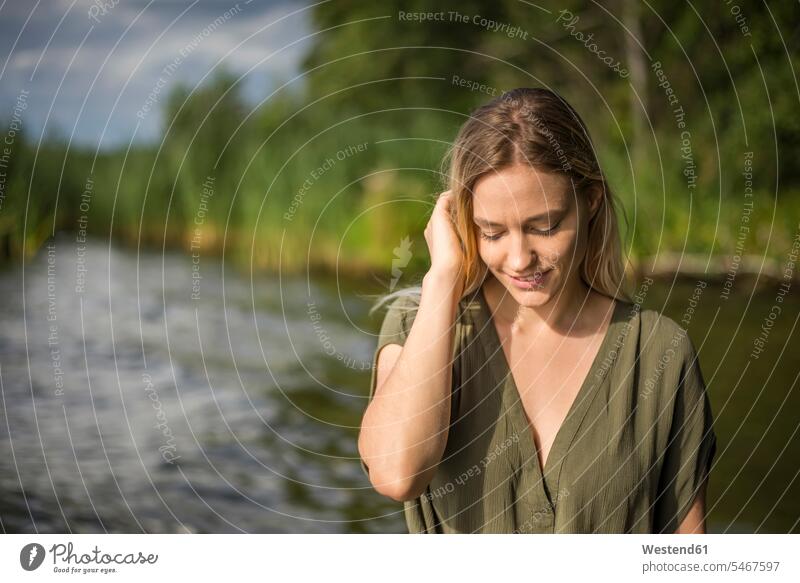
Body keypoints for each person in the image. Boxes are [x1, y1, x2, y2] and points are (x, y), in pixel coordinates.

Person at [358, 87, 717, 534]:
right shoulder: (421, 325)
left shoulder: (660, 351)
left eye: (543, 226)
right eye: (491, 233)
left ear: (590, 202)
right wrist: (443, 279)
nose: (519, 259)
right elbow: (396, 474)